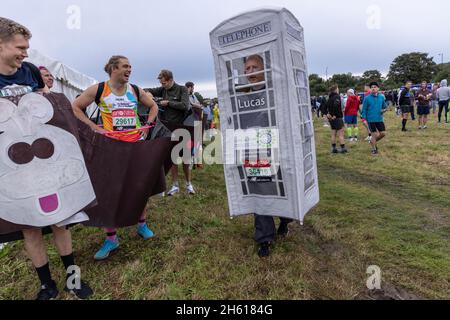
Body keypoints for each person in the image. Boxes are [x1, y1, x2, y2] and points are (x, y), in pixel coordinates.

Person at [0, 17, 92, 300]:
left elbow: (49, 107)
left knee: (59, 221)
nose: (25, 53)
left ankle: (73, 279)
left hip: (46, 161)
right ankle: (46, 284)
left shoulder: (28, 71)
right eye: (20, 47)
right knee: (30, 228)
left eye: (27, 48)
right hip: (14, 168)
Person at [72, 55, 159, 260]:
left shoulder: (135, 90)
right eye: (125, 66)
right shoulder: (99, 89)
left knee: (139, 187)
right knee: (110, 192)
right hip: (110, 147)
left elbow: (153, 106)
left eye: (131, 66)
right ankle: (111, 238)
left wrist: (148, 126)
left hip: (135, 146)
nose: (130, 69)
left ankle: (142, 225)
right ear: (113, 69)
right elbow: (75, 107)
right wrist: (94, 128)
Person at [146, 70, 193, 195]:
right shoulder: (163, 89)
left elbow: (185, 105)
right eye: (161, 83)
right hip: (169, 128)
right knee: (173, 158)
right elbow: (146, 89)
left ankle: (189, 184)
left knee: (186, 158)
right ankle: (175, 185)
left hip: (184, 128)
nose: (163, 85)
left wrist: (169, 103)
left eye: (165, 83)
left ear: (171, 80)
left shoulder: (182, 89)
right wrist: (148, 94)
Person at [361, 82, 387, 155]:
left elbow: (384, 107)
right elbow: (364, 110)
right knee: (374, 135)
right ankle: (374, 149)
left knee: (383, 133)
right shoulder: (367, 98)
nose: (373, 88)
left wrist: (384, 110)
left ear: (378, 88)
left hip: (379, 119)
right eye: (372, 87)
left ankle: (372, 141)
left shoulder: (381, 97)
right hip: (370, 120)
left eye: (375, 87)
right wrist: (364, 119)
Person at [324, 85, 347, 154]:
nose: (338, 90)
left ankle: (334, 149)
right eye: (338, 88)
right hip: (337, 117)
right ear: (336, 90)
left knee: (333, 134)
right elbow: (336, 106)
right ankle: (343, 149)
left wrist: (327, 114)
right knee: (341, 134)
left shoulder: (329, 98)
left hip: (331, 119)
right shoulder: (337, 96)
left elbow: (323, 107)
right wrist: (334, 115)